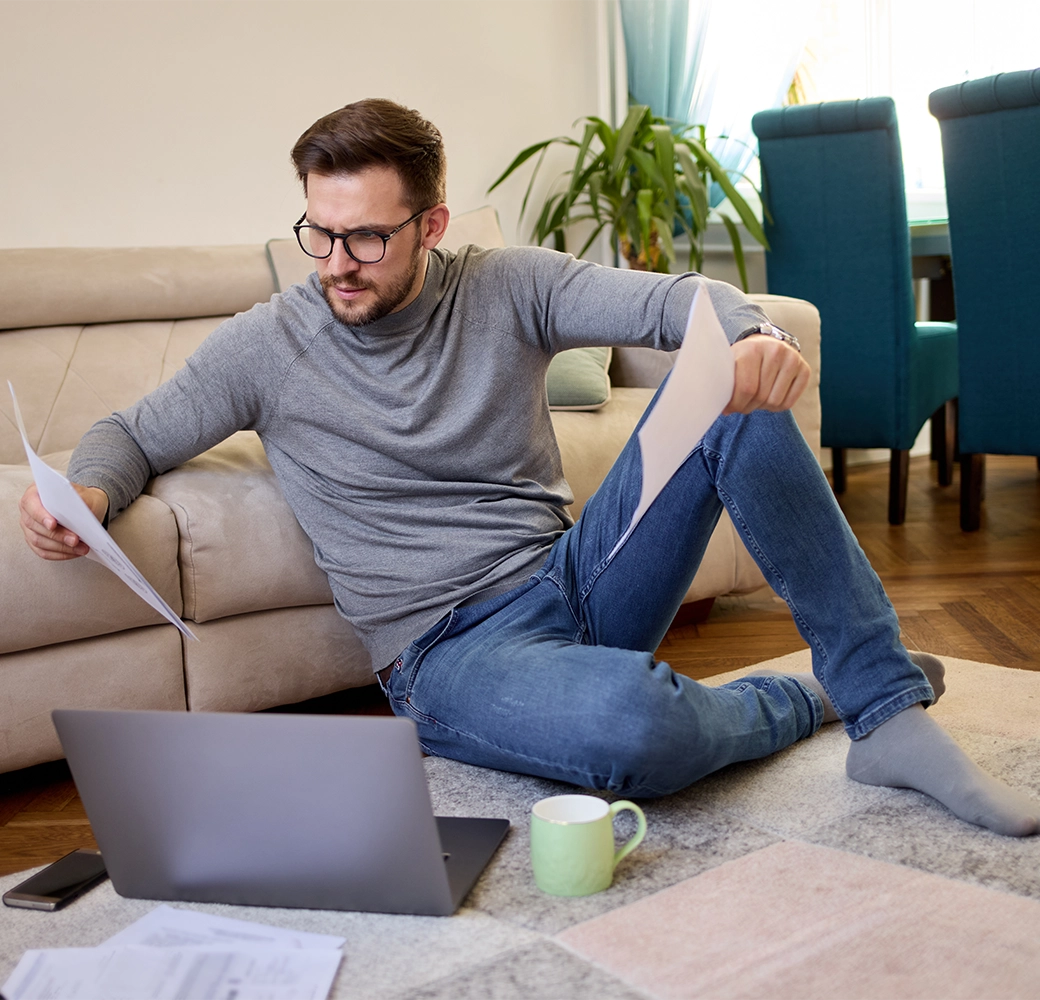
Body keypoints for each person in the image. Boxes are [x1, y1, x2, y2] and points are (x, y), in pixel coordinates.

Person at [19, 98, 1037, 837]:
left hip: (574, 578)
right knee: (634, 729)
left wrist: (753, 332)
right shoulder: (267, 342)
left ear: (430, 225)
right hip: (445, 656)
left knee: (739, 395)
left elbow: (670, 305)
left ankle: (883, 709)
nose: (335, 261)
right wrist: (90, 491)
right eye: (318, 232)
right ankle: (804, 697)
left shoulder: (505, 286)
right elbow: (133, 430)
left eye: (366, 236)